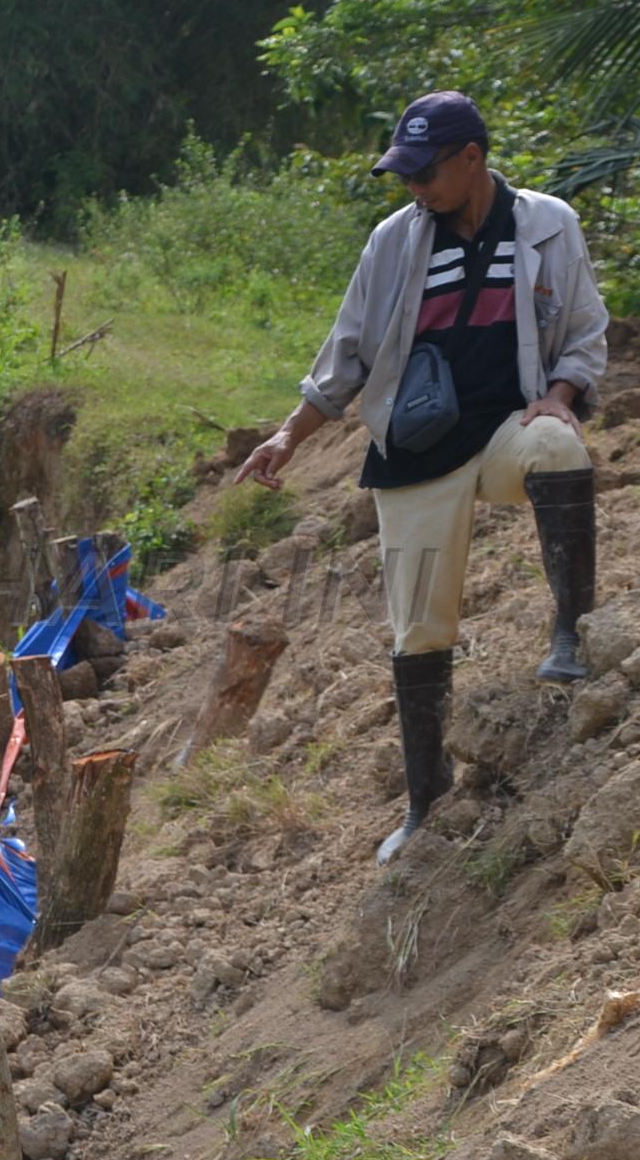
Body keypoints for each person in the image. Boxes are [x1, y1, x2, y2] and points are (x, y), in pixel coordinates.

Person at [235, 90, 609, 863]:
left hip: (506, 431)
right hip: (415, 452)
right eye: (405, 175)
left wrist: (561, 395)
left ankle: (573, 630)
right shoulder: (395, 242)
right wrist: (289, 435)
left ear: (472, 159)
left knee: (560, 445)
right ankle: (423, 802)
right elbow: (347, 355)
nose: (415, 188)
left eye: (426, 172)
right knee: (418, 631)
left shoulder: (548, 224)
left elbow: (583, 330)